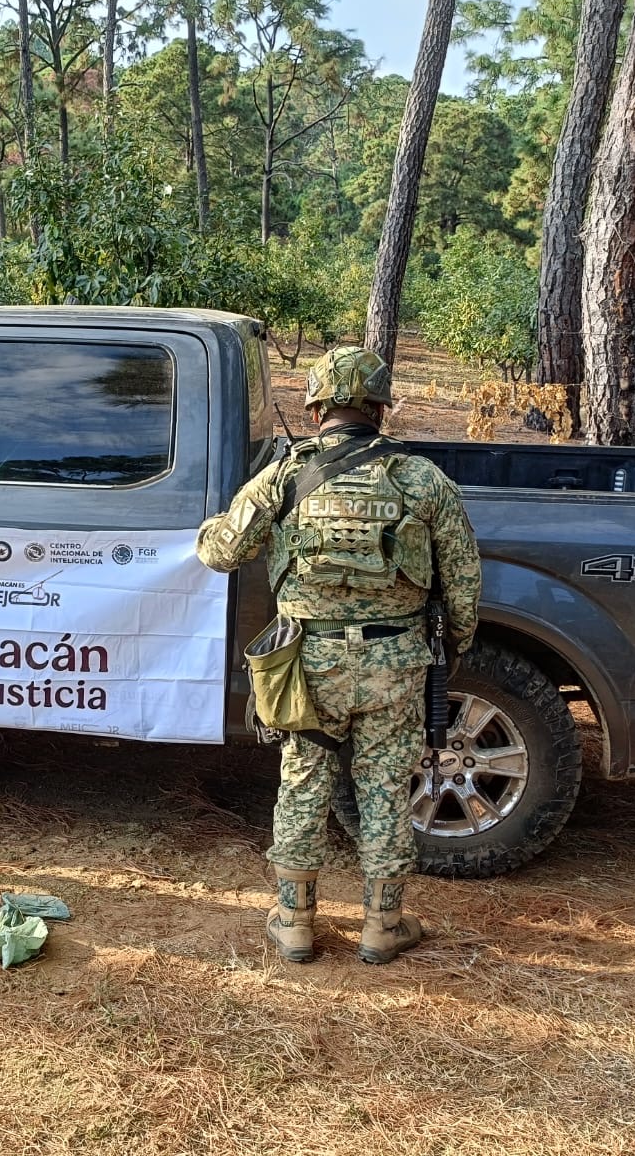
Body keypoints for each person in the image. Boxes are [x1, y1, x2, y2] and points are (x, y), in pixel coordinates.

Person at [195, 346, 481, 964]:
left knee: (304, 780)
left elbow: (222, 551)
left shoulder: (284, 475)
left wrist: (208, 528)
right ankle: (383, 925)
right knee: (383, 787)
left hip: (306, 662)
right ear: (379, 406)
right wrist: (452, 647)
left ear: (317, 403)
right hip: (397, 659)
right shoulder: (420, 479)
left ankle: (294, 921)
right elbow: (462, 579)